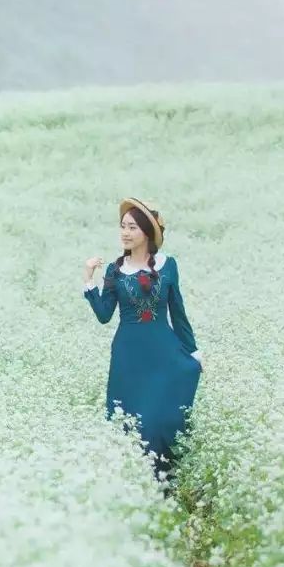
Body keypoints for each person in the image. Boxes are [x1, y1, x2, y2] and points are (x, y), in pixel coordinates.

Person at [82, 198, 203, 488]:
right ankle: (137, 485)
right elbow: (103, 315)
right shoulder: (114, 270)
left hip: (164, 352)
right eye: (122, 226)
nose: (125, 232)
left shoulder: (168, 265)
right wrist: (89, 281)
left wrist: (194, 351)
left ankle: (168, 483)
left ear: (147, 232)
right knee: (133, 422)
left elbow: (178, 311)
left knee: (162, 418)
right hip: (129, 357)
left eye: (132, 227)